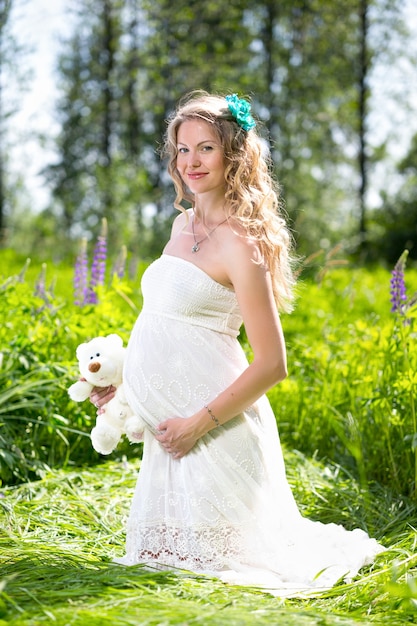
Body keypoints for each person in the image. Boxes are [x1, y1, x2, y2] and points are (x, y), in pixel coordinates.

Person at [91, 91, 384, 596]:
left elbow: (272, 363)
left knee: (224, 575)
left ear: (234, 154)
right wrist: (125, 393)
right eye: (183, 150)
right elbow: (166, 328)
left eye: (206, 148)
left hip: (215, 434)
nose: (192, 162)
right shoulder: (181, 225)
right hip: (171, 442)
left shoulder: (241, 244)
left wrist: (194, 425)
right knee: (163, 570)